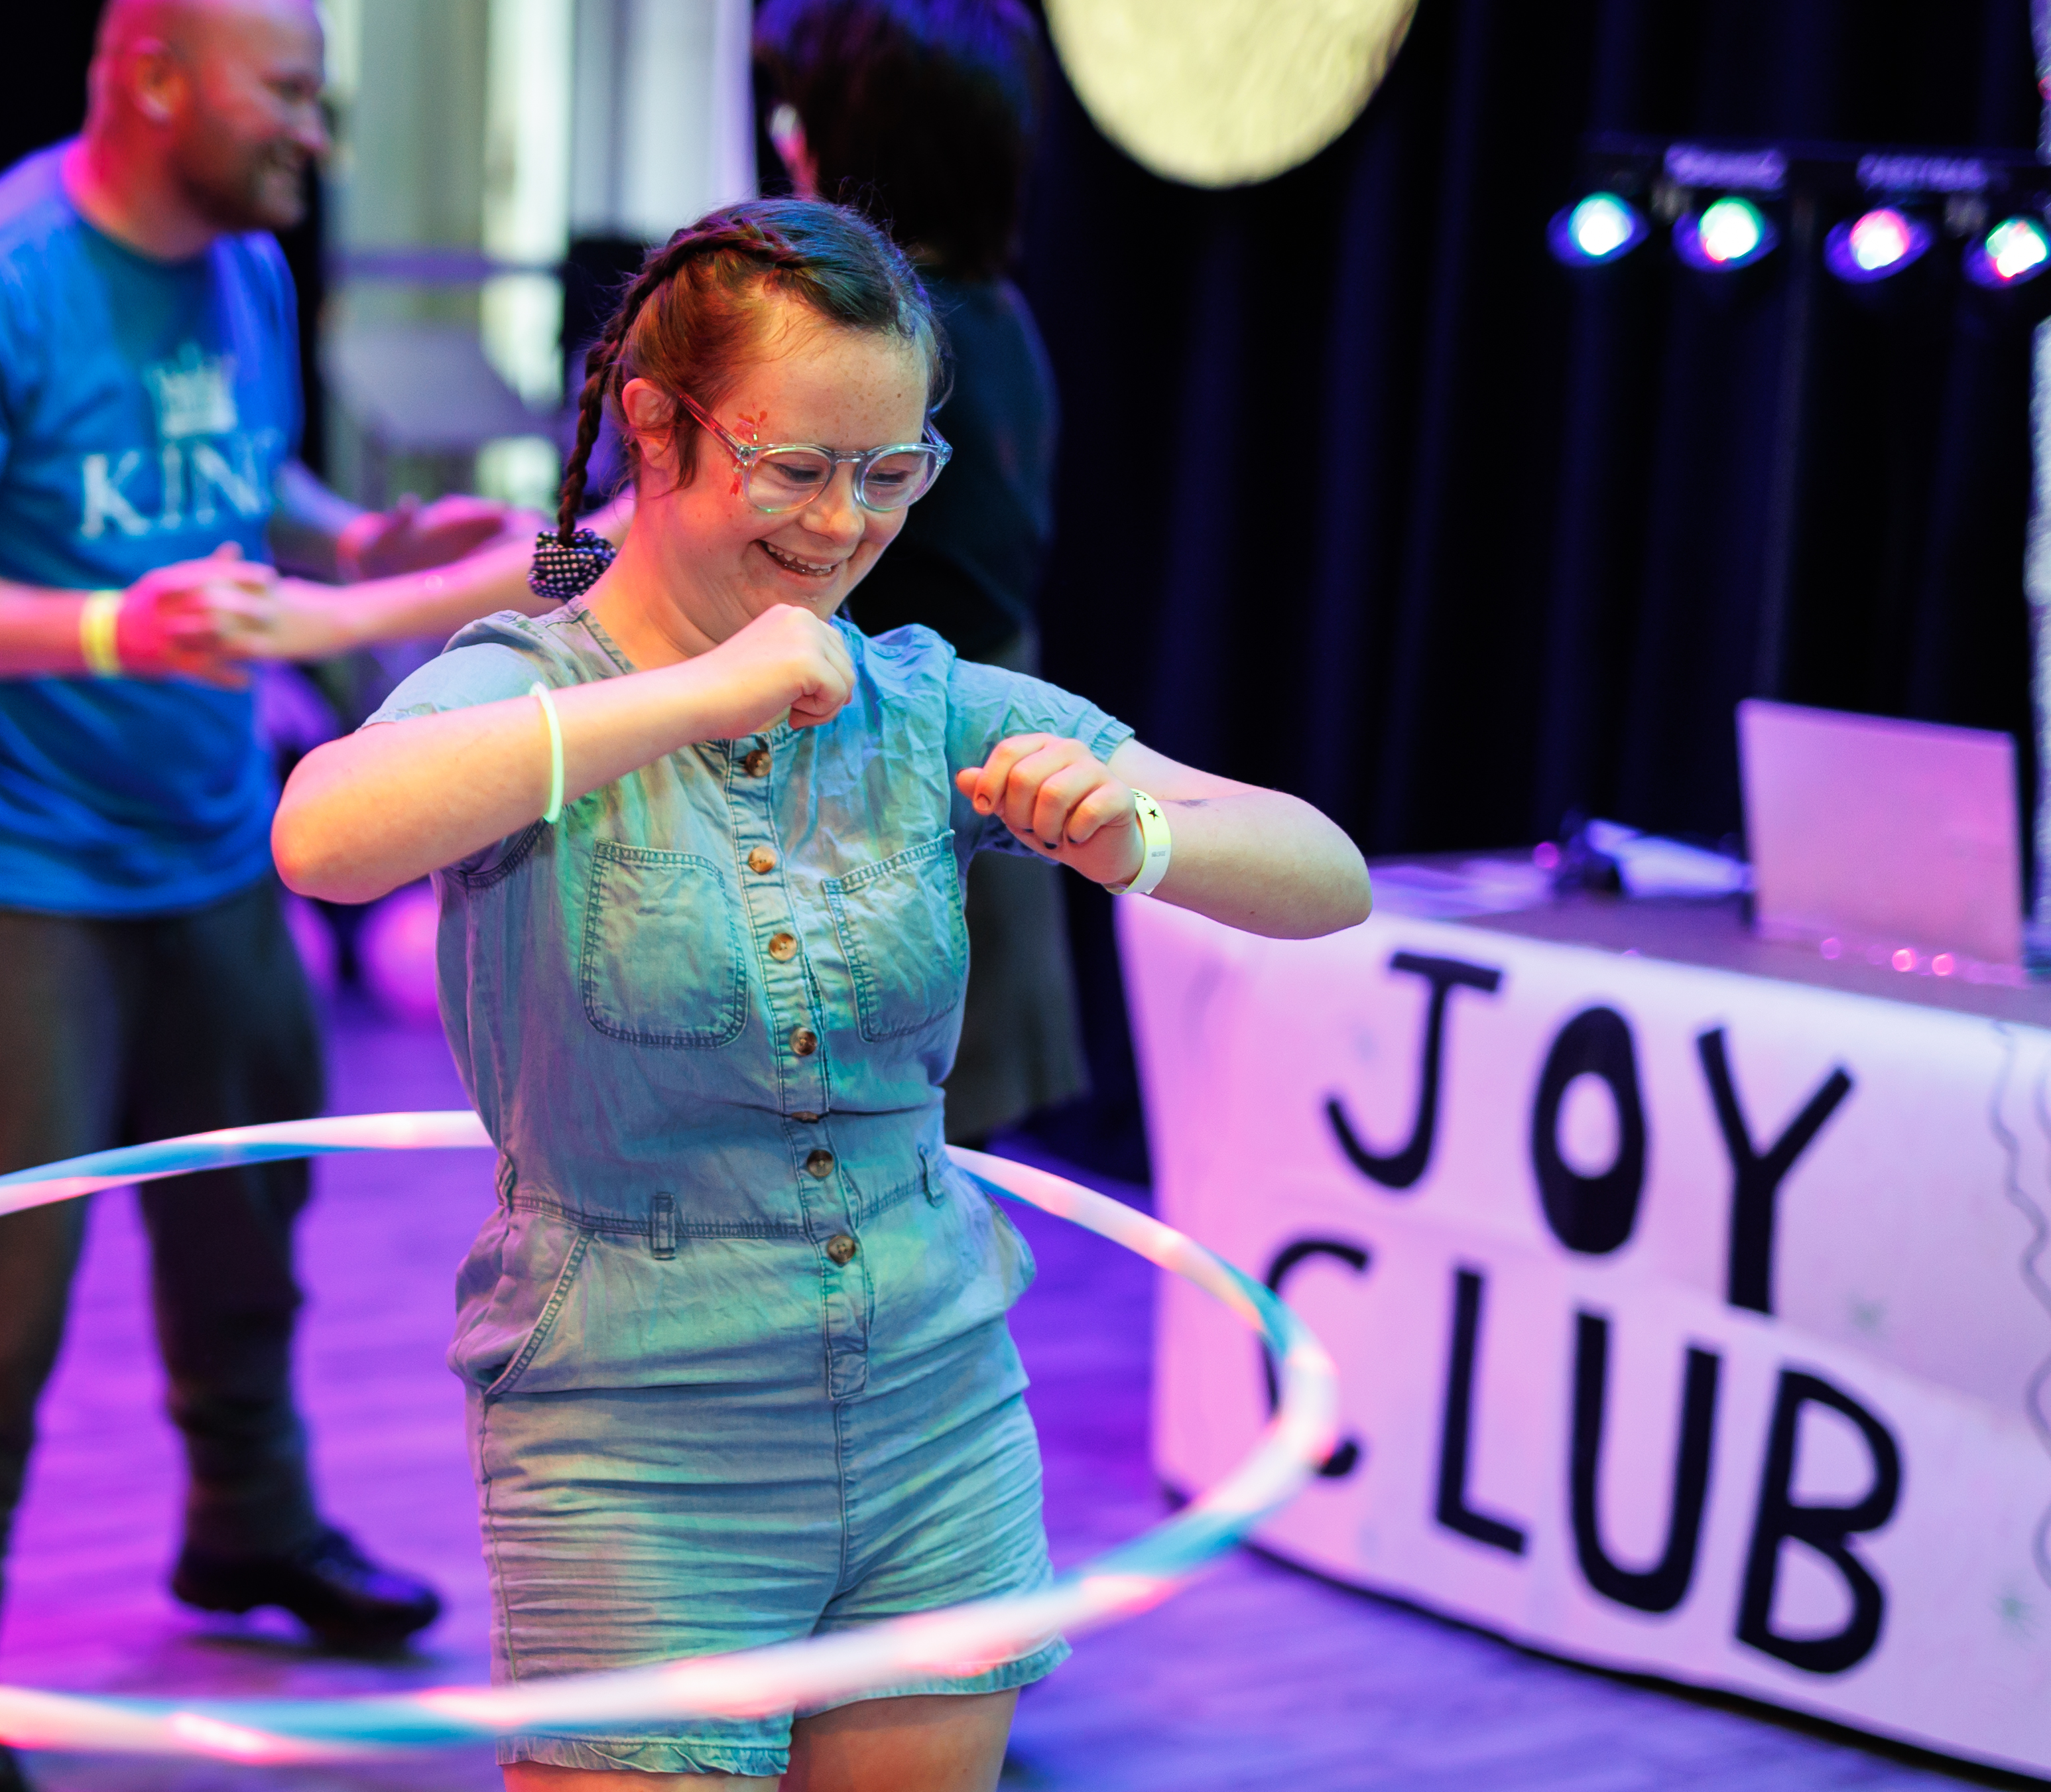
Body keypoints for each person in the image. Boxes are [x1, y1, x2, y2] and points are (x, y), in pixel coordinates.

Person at [273, 196, 1370, 1789]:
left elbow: (1327, 873)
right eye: (795, 467)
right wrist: (694, 692)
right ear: (656, 428)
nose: (845, 524)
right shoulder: (523, 686)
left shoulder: (920, 704)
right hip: (635, 1438)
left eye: (892, 471)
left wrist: (1133, 833)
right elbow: (322, 835)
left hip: (939, 1406)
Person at [0, 1, 560, 1785]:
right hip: (2, 850)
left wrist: (352, 541)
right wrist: (104, 627)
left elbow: (234, 480)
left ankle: (250, 1526)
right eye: (284, 91)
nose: (315, 130)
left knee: (245, 1215)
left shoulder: (241, 266)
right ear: (153, 78)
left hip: (206, 826)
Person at [755, 0, 1080, 1145]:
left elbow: (625, 552)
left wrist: (543, 558)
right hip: (958, 814)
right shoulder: (1001, 324)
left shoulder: (873, 354)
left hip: (885, 833)